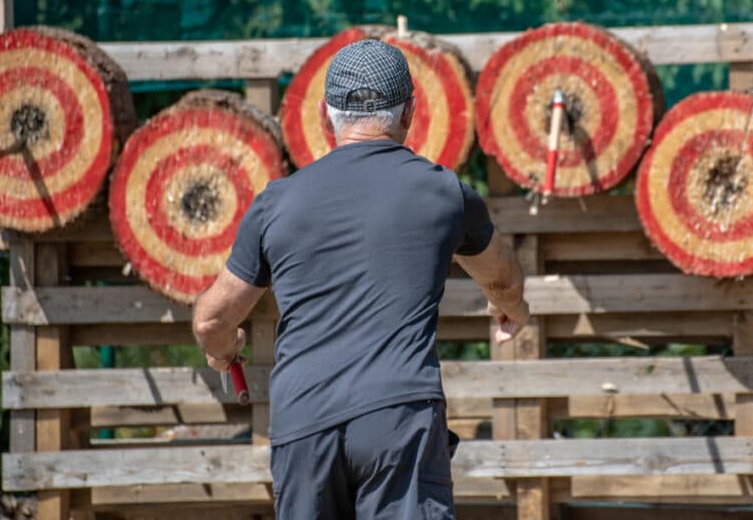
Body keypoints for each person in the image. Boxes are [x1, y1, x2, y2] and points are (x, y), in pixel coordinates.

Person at [192, 38, 530, 520]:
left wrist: (223, 349)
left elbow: (211, 321)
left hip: (304, 424)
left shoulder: (277, 204)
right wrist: (514, 311)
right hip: (399, 418)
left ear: (325, 119)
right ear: (409, 113)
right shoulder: (445, 194)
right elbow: (503, 281)